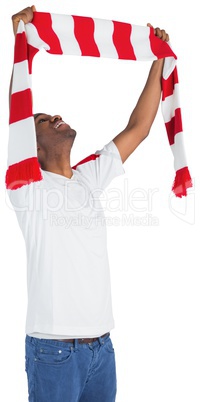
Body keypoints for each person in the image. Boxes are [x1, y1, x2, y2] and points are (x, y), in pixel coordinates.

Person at [9, 5, 169, 402]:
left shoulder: (88, 178)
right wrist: (20, 44)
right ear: (31, 145)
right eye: (44, 120)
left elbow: (140, 128)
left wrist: (160, 61)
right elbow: (16, 113)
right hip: (54, 354)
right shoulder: (26, 187)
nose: (55, 116)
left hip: (103, 351)